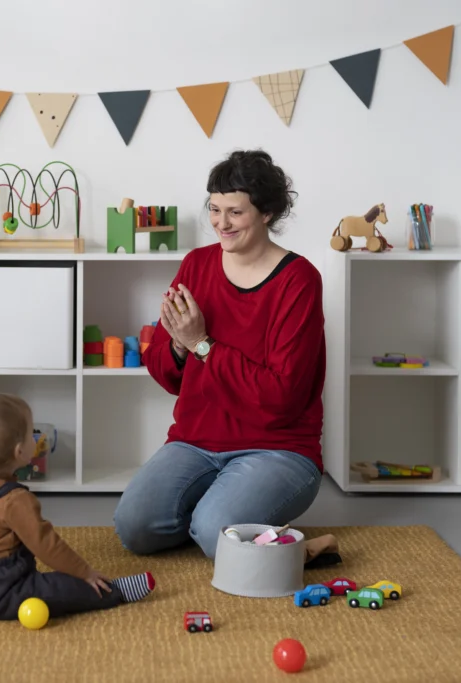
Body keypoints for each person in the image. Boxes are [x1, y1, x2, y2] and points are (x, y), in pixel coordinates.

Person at [113, 150, 333, 561]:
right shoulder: (196, 265)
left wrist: (202, 345)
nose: (221, 223)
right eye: (215, 209)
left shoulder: (299, 281)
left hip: (278, 448)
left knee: (214, 531)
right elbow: (165, 373)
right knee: (134, 528)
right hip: (195, 441)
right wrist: (178, 345)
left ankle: (296, 549)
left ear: (266, 212)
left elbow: (281, 398)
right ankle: (225, 524)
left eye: (235, 212)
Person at [0, 392, 155, 621]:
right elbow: (47, 546)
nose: (35, 438)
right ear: (19, 452)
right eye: (30, 434)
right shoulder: (14, 500)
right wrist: (85, 572)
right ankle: (113, 591)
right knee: (58, 588)